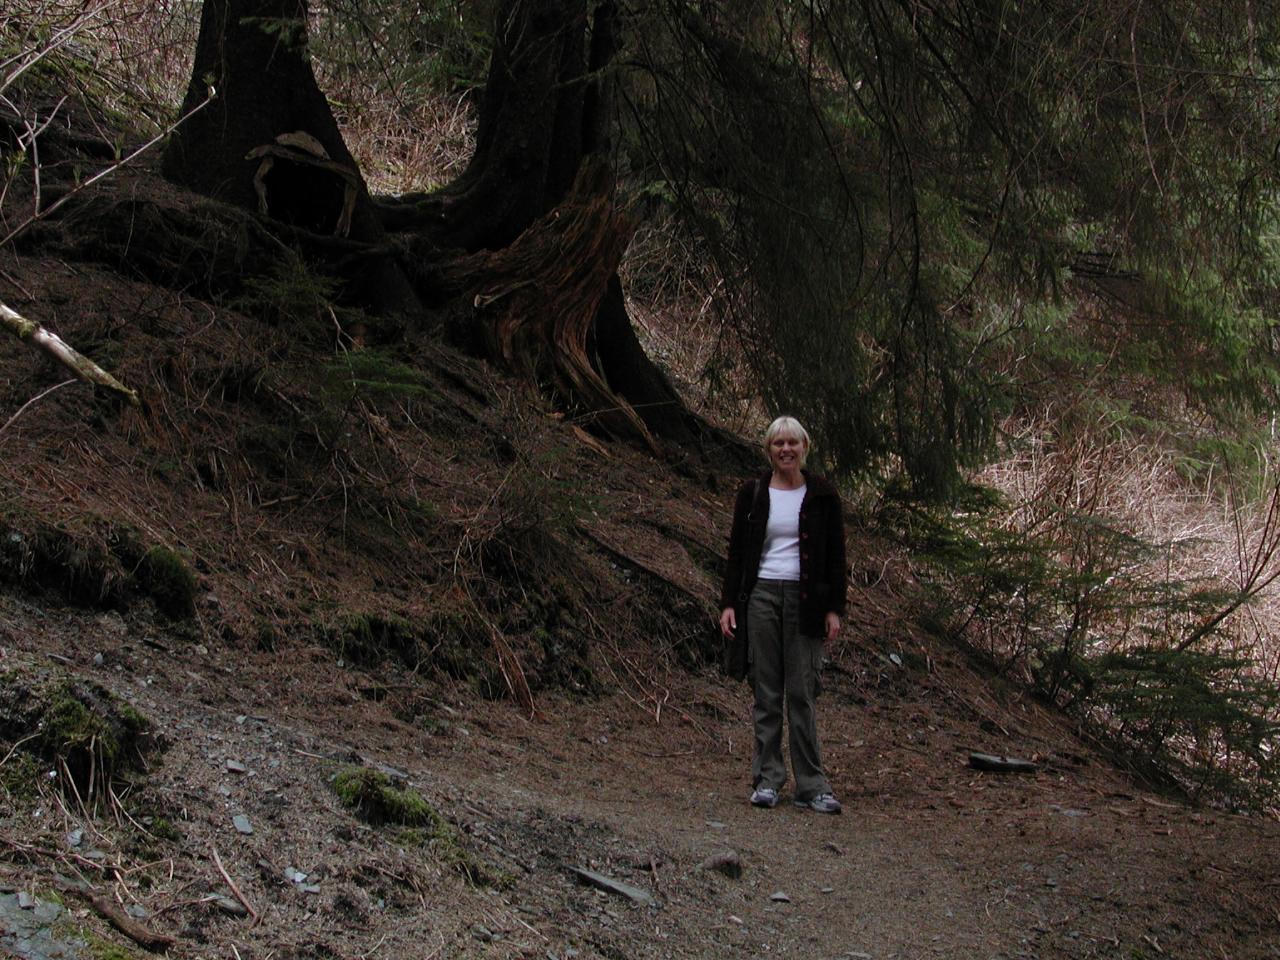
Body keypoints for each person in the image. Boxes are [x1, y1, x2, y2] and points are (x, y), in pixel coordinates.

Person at [719, 416, 847, 814]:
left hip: (806, 600)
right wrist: (728, 603)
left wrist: (834, 610)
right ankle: (768, 779)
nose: (786, 450)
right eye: (778, 444)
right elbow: (738, 551)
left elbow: (835, 558)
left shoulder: (823, 495)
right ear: (769, 450)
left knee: (802, 693)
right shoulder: (753, 493)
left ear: (804, 447)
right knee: (766, 690)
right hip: (760, 598)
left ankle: (812, 785)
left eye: (792, 443)